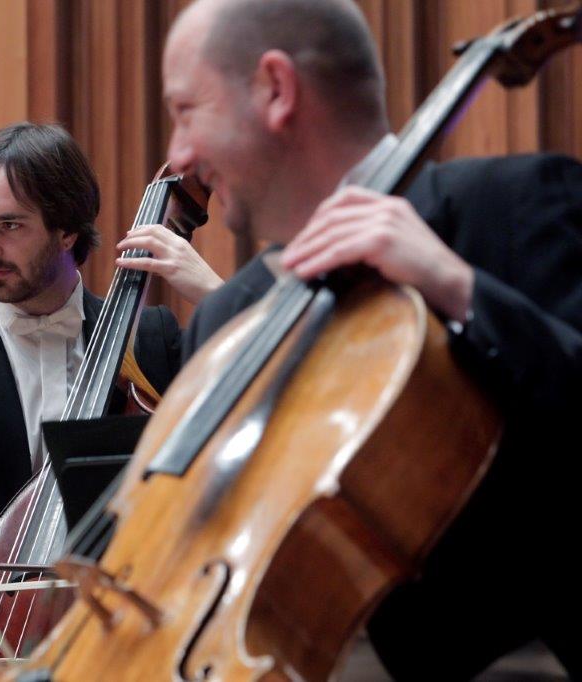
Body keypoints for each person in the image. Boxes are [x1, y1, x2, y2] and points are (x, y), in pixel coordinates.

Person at [161, 0, 582, 678]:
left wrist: (458, 288)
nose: (177, 156)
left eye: (186, 111)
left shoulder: (513, 207)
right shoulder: (225, 322)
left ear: (277, 89)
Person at [0, 121, 222, 680]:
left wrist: (215, 295)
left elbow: (253, 430)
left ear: (68, 229)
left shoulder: (151, 341)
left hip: (131, 626)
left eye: (9, 226)